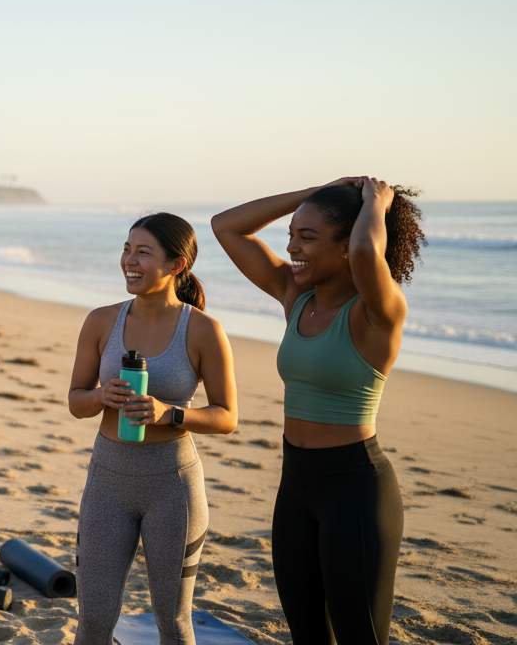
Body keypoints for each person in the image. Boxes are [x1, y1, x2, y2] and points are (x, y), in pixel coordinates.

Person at [211, 177, 425, 644]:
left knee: (358, 637)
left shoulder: (376, 313)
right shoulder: (296, 296)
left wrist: (375, 201)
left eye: (306, 238)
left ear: (347, 246)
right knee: (307, 634)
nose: (292, 249)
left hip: (355, 490)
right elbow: (226, 227)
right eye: (290, 235)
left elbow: (370, 256)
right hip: (295, 486)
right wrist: (318, 192)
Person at [67, 213, 238, 645]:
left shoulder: (203, 330)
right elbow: (75, 401)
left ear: (177, 265)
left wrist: (171, 413)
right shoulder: (102, 321)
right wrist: (101, 397)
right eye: (127, 249)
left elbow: (226, 416)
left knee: (174, 623)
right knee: (93, 621)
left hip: (173, 486)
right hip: (107, 480)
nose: (130, 260)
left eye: (144, 252)